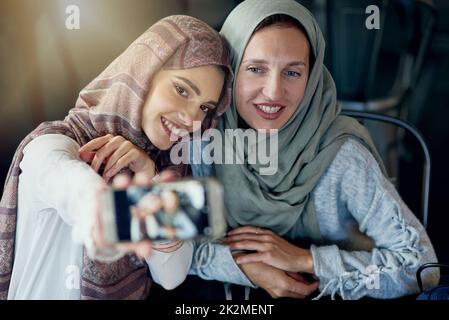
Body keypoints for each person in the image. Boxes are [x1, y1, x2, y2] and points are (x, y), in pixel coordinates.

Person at [181, 0, 439, 300]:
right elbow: (174, 249)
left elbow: (421, 267)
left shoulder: (342, 154)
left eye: (292, 73)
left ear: (313, 76)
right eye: (255, 69)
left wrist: (306, 260)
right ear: (231, 70)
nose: (274, 92)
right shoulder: (204, 138)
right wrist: (246, 268)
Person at [0, 15, 232, 300]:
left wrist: (150, 179)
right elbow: (72, 186)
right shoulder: (52, 144)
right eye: (181, 90)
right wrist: (107, 213)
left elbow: (172, 276)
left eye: (205, 108)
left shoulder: (167, 169)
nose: (191, 119)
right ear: (142, 74)